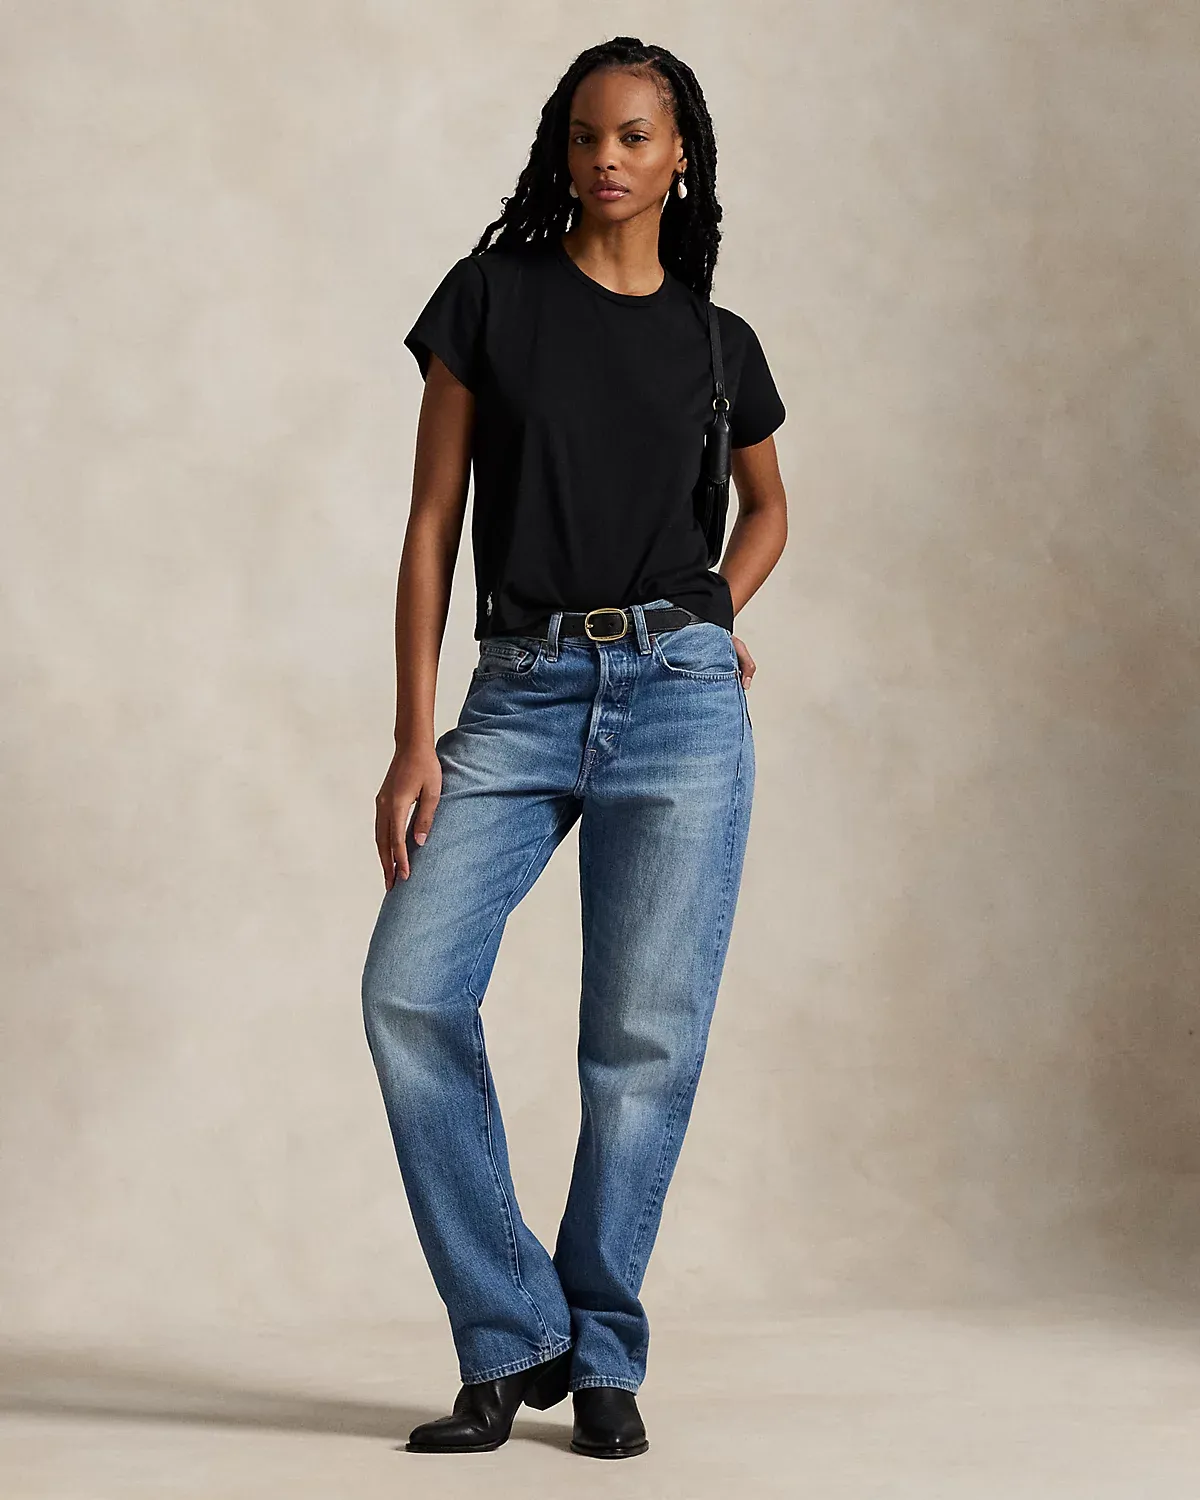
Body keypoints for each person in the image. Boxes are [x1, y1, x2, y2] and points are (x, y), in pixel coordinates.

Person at [360, 35, 787, 1460]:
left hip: (679, 701)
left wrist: (713, 611)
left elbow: (771, 508)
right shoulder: (491, 300)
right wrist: (414, 735)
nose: (607, 157)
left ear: (680, 159)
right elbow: (431, 523)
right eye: (587, 135)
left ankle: (601, 1348)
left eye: (635, 136)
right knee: (410, 989)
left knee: (642, 1043)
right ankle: (515, 1331)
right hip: (522, 689)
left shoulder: (719, 343)